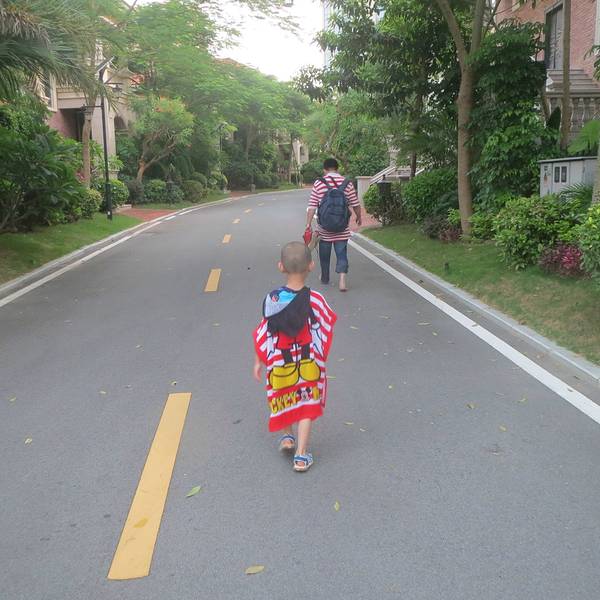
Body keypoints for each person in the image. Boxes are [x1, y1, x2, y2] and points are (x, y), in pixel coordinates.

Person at [253, 242, 337, 472]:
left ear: (281, 266)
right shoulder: (316, 299)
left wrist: (259, 360)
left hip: (280, 364)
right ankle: (301, 455)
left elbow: (263, 332)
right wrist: (320, 355)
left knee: (283, 396)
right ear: (311, 265)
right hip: (308, 364)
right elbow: (327, 325)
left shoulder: (272, 300)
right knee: (307, 404)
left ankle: (287, 437)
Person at [306, 158, 362, 291]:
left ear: (324, 169)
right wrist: (359, 217)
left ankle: (325, 277)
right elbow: (355, 204)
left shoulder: (319, 183)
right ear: (338, 168)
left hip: (324, 227)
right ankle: (342, 280)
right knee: (342, 254)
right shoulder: (347, 183)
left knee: (324, 255)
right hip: (342, 227)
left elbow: (312, 206)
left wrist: (308, 224)